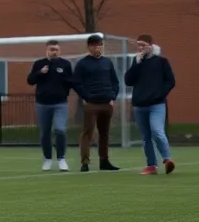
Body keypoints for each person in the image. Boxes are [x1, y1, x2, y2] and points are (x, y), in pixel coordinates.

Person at [124, 34, 176, 175]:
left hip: (156, 105)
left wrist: (159, 94)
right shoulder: (137, 63)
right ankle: (151, 165)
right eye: (139, 45)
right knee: (146, 137)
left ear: (150, 46)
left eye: (143, 45)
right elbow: (128, 81)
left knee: (157, 131)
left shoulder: (161, 62)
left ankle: (167, 159)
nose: (141, 48)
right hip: (139, 105)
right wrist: (136, 64)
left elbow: (170, 81)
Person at [72, 34, 120, 172]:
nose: (98, 48)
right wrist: (86, 96)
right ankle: (85, 162)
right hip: (91, 103)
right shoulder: (82, 63)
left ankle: (104, 161)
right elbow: (77, 83)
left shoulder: (107, 62)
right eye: (94, 45)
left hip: (107, 102)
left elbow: (115, 81)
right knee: (88, 132)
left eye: (100, 45)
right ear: (89, 47)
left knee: (104, 133)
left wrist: (113, 96)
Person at [28, 40, 75, 172]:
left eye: (56, 50)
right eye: (51, 49)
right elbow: (30, 80)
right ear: (47, 51)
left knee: (60, 130)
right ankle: (47, 159)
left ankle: (61, 158)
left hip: (60, 103)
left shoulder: (65, 64)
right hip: (42, 104)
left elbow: (71, 82)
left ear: (59, 51)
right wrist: (40, 73)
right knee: (45, 133)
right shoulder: (39, 64)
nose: (54, 52)